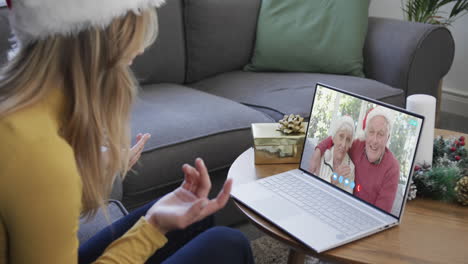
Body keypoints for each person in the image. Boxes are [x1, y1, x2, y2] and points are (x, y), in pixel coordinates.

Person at [0, 1, 254, 263]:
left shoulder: (19, 110)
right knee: (227, 244)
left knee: (191, 219)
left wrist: (90, 176)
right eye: (135, 29)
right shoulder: (37, 152)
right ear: (104, 36)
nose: (141, 48)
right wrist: (153, 229)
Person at [310, 107, 400, 213]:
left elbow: (381, 214)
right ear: (366, 134)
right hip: (342, 210)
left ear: (387, 137)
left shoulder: (392, 168)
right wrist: (318, 151)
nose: (374, 140)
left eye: (380, 134)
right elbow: (338, 139)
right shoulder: (357, 146)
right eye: (371, 132)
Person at [314, 116, 356, 194]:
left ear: (350, 144)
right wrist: (332, 179)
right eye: (341, 136)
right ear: (333, 138)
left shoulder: (351, 167)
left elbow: (346, 199)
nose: (343, 145)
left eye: (348, 140)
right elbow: (312, 187)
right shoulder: (322, 155)